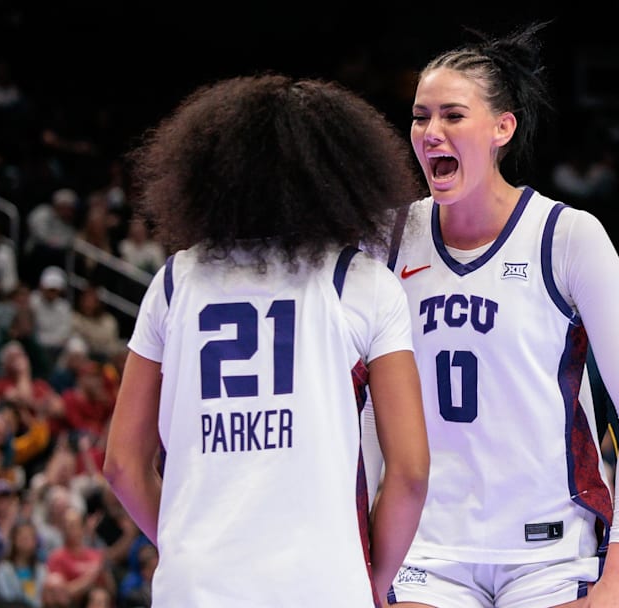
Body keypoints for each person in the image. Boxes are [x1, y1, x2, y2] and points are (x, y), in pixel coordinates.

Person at [101, 73, 430, 608]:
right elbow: (411, 471)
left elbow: (122, 464)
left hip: (195, 588)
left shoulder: (174, 281)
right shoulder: (362, 283)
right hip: (321, 585)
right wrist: (370, 575)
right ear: (340, 177)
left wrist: (189, 547)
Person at [378, 21, 619, 607]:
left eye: (452, 116)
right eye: (419, 116)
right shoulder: (388, 240)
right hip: (426, 546)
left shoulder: (567, 236)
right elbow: (361, 408)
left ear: (502, 128)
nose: (431, 132)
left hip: (550, 549)